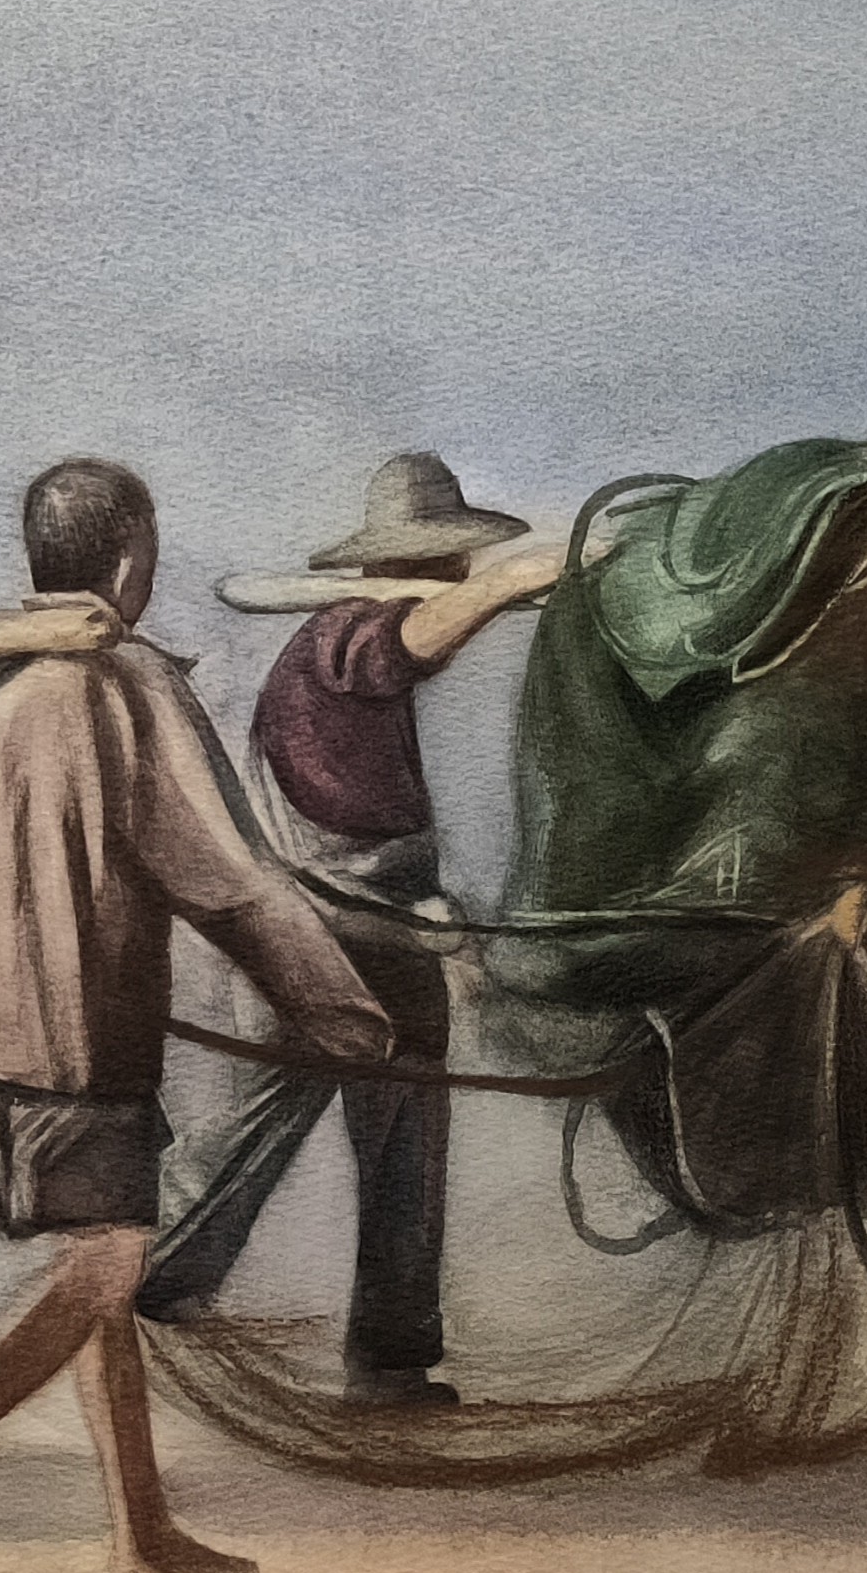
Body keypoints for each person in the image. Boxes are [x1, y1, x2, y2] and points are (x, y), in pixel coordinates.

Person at [0, 457, 393, 1573]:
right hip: (70, 1025)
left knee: (96, 1260)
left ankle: (141, 1533)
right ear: (130, 557)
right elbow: (228, 877)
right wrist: (337, 1004)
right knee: (104, 1268)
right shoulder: (124, 678)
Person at [138, 451, 563, 1408]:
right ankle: (149, 1282)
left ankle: (392, 1357)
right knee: (258, 1122)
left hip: (392, 924)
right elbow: (408, 644)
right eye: (449, 561)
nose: (457, 572)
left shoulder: (370, 646)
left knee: (407, 1136)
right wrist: (513, 582)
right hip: (314, 929)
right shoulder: (341, 636)